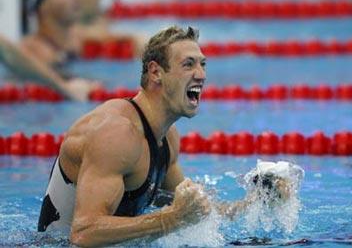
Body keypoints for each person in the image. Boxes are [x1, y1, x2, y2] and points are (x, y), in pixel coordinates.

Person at [37, 26, 290, 247]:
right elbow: (83, 233)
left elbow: (196, 211)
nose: (201, 74)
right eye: (188, 64)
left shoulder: (167, 137)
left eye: (203, 64)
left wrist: (258, 203)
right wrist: (170, 220)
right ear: (156, 72)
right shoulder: (117, 133)